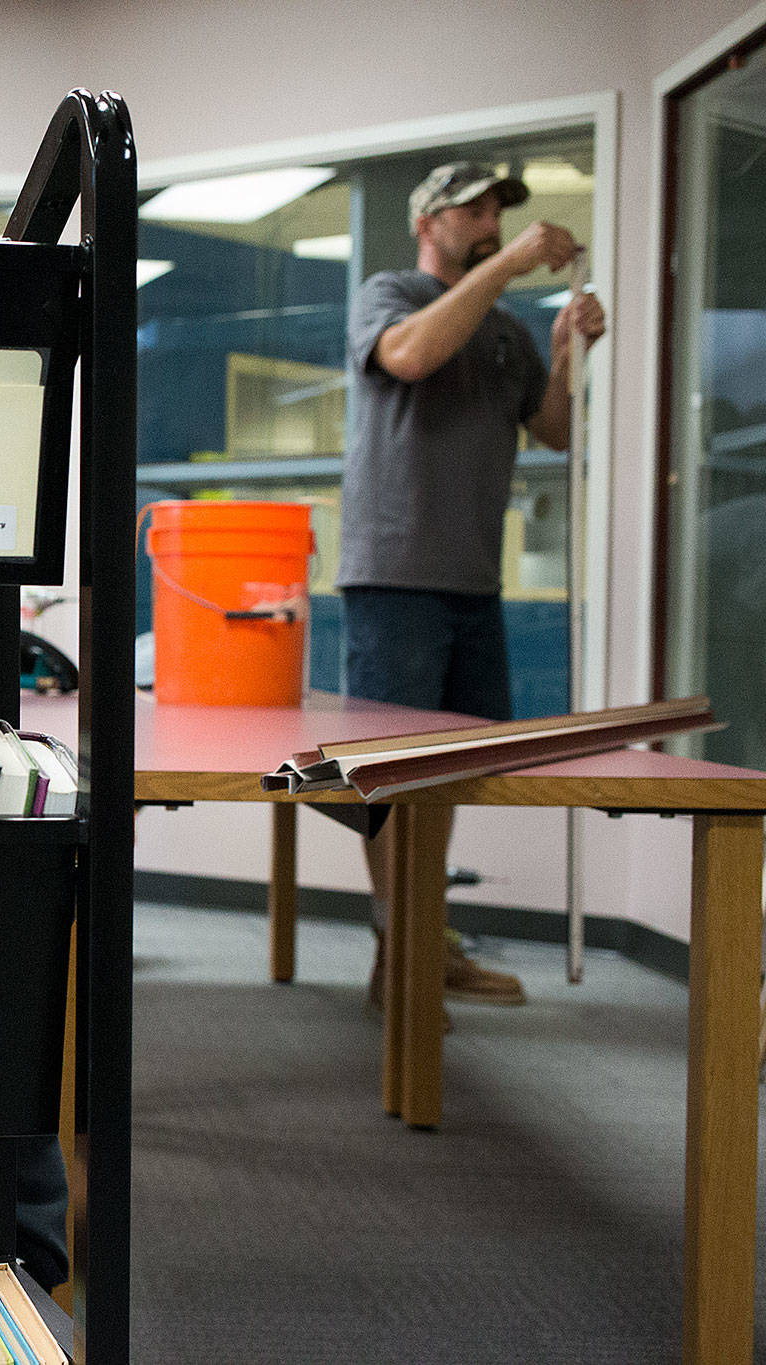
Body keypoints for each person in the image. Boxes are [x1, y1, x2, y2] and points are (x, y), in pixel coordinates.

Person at [338, 161, 607, 1009]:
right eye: (477, 208)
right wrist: (513, 264)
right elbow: (409, 354)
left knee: (446, 772)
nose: (493, 219)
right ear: (431, 221)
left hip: (473, 582)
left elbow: (556, 429)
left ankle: (423, 939)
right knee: (387, 778)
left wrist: (566, 352)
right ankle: (401, 950)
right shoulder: (390, 291)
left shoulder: (507, 331)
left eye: (501, 211)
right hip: (395, 577)